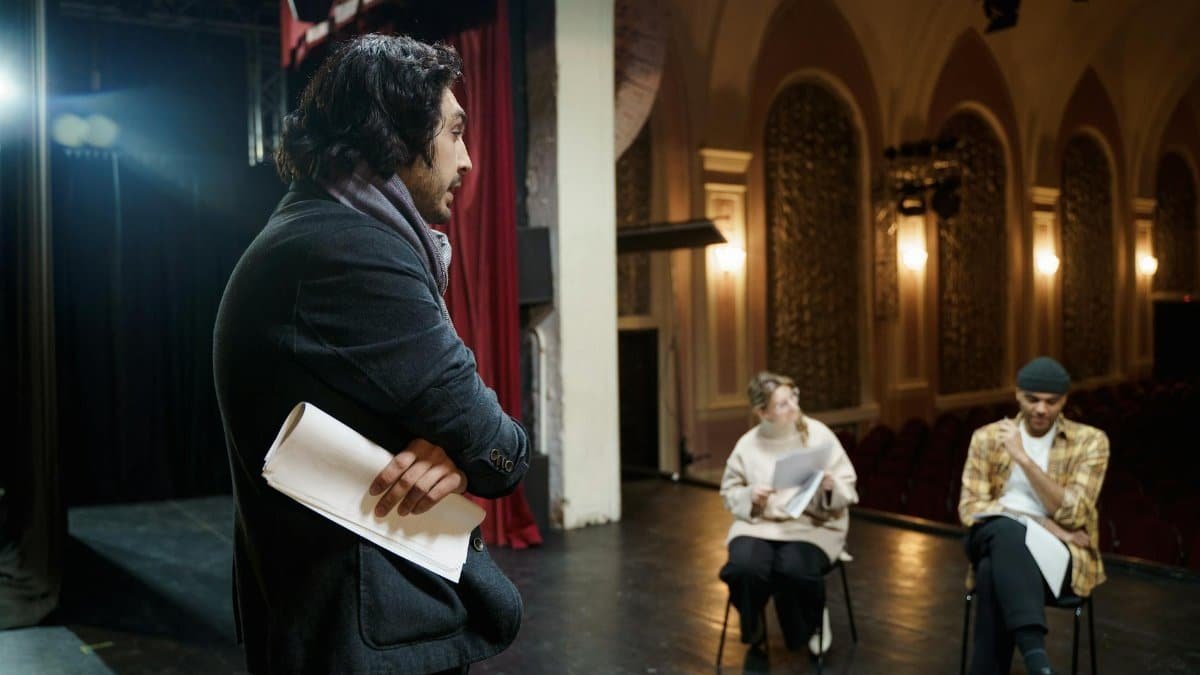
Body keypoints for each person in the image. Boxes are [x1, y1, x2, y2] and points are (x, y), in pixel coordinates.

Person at [213, 34, 529, 674]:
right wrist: (466, 448)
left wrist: (451, 448)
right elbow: (501, 452)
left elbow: (458, 432)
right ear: (395, 134)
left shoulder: (312, 232)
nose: (467, 160)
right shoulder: (350, 253)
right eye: (454, 132)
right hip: (369, 636)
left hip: (346, 625)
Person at [958, 356, 1109, 675]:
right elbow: (970, 509)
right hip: (993, 534)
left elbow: (1075, 514)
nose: (1041, 410)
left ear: (1065, 400)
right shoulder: (986, 437)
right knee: (1005, 532)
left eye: (1052, 402)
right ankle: (1038, 662)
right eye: (1032, 400)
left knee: (990, 572)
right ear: (1017, 395)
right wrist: (1041, 522)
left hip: (1058, 557)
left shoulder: (1090, 441)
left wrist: (1024, 460)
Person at [719, 371, 859, 656]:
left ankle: (811, 623)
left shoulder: (817, 434)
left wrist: (830, 487)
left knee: (793, 568)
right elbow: (730, 491)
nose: (794, 406)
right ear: (763, 412)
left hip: (812, 525)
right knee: (744, 567)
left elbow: (848, 486)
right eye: (782, 404)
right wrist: (750, 496)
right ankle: (752, 621)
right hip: (760, 524)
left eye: (793, 397)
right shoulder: (748, 444)